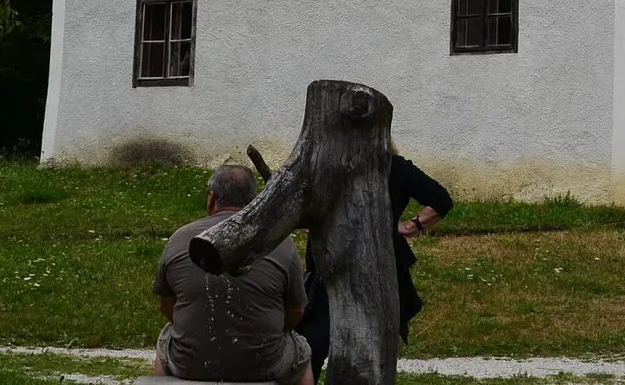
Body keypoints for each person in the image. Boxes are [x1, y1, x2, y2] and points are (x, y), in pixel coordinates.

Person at [298, 150, 453, 381]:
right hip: (329, 273)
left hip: (376, 277)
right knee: (312, 349)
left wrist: (409, 226)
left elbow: (441, 200)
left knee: (365, 356)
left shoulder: (393, 167)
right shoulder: (325, 164)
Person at [153, 165, 313, 385]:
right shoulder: (280, 242)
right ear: (255, 201)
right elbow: (296, 310)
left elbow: (166, 304)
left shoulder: (179, 239)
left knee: (165, 341)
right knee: (302, 351)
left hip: (192, 363)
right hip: (264, 363)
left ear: (212, 198)